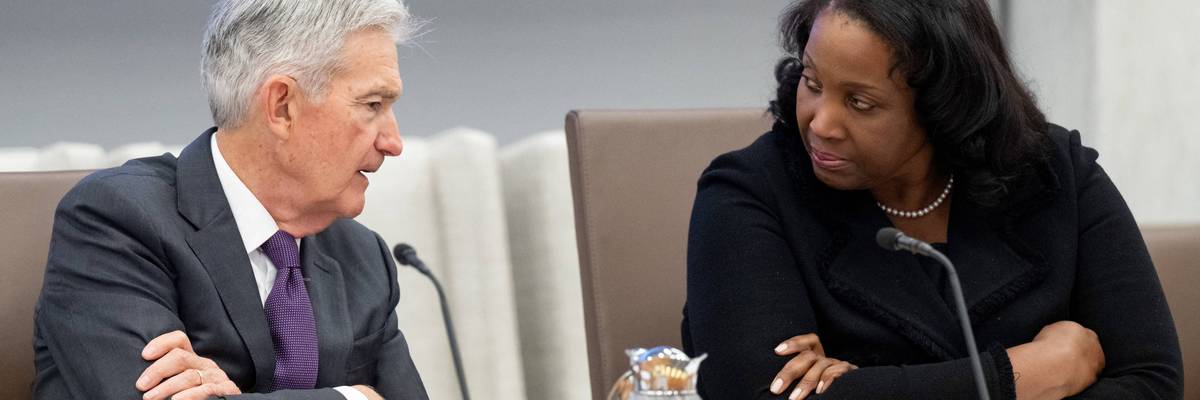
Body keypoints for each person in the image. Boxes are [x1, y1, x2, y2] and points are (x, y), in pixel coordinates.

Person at [681, 0, 1183, 398]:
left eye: (860, 102)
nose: (821, 123)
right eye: (812, 83)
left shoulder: (1055, 172)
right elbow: (756, 392)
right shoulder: (749, 191)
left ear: (944, 106)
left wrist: (866, 388)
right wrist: (1025, 375)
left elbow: (1151, 381)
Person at [32, 1, 429, 399]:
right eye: (373, 105)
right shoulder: (116, 220)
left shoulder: (363, 257)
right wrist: (356, 396)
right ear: (282, 106)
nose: (393, 142)